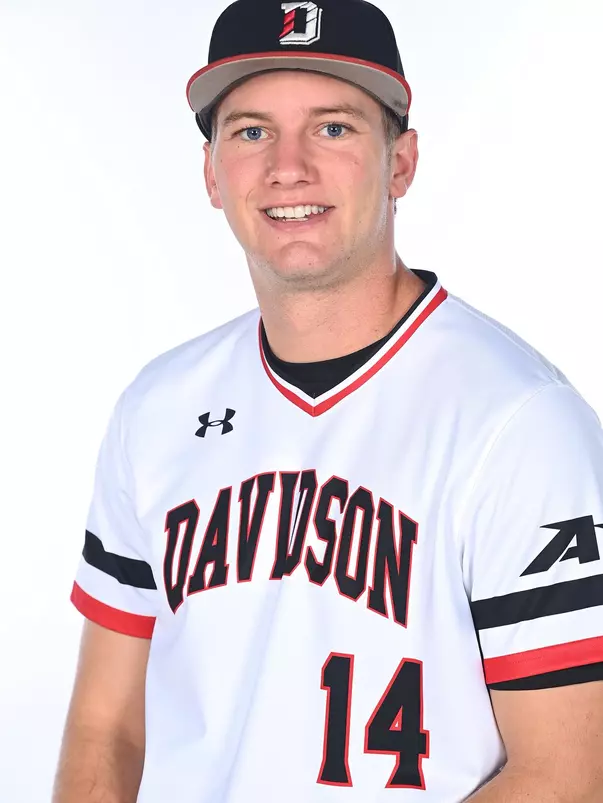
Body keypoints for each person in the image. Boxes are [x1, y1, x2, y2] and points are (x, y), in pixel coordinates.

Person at [52, 1, 603, 801]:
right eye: (250, 131)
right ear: (212, 174)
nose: (288, 166)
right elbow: (108, 726)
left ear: (401, 162)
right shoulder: (158, 408)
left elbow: (568, 773)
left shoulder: (520, 425)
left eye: (334, 128)